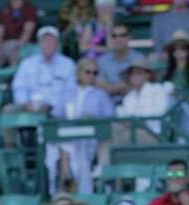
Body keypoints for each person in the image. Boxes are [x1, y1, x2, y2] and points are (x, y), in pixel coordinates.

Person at [47, 57, 114, 194]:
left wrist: (92, 118)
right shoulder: (68, 93)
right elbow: (56, 115)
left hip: (90, 140)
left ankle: (74, 184)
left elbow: (110, 119)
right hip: (67, 135)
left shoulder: (100, 95)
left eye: (95, 73)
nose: (91, 76)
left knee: (79, 149)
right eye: (88, 72)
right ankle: (63, 179)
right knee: (57, 145)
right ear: (79, 73)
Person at [114, 53, 171, 144]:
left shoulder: (157, 90)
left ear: (147, 75)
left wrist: (135, 123)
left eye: (139, 73)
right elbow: (122, 117)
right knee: (111, 130)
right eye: (132, 73)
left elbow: (158, 115)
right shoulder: (129, 96)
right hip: (131, 132)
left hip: (155, 134)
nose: (135, 76)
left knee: (116, 137)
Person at [162, 31, 189, 137]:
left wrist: (177, 95)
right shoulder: (165, 71)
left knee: (176, 106)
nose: (178, 51)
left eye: (183, 48)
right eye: (174, 49)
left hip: (186, 109)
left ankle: (179, 138)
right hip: (167, 107)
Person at [0, 0, 38, 71]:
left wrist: (17, 47)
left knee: (14, 55)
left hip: (23, 45)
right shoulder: (5, 9)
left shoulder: (29, 9)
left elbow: (26, 34)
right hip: (6, 44)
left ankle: (13, 81)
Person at [95, 21, 133, 98]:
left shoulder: (139, 59)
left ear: (129, 37)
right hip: (108, 106)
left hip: (135, 105)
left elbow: (140, 88)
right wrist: (125, 85)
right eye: (114, 36)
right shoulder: (101, 61)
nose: (118, 39)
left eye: (122, 35)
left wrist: (112, 89)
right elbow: (103, 90)